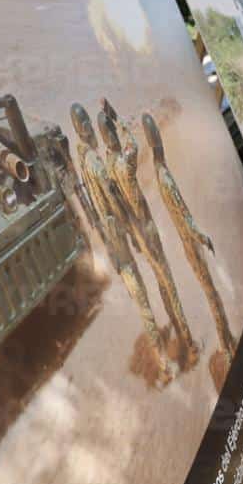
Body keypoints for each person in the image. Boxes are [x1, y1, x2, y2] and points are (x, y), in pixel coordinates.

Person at [71, 103, 175, 387]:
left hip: (109, 237)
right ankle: (165, 362)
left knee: (138, 297)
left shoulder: (82, 159)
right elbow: (114, 200)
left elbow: (92, 204)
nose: (90, 130)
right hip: (118, 231)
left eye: (89, 126)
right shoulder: (96, 162)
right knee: (145, 293)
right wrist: (133, 235)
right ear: (83, 130)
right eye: (86, 126)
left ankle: (162, 355)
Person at [97, 100, 199, 373]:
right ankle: (188, 342)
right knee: (169, 285)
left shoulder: (106, 165)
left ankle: (174, 336)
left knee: (160, 283)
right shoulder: (124, 160)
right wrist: (116, 118)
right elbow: (132, 141)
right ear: (112, 137)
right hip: (148, 230)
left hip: (136, 233)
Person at [141, 112, 238, 389]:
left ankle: (227, 340)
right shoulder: (165, 177)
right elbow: (185, 217)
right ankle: (226, 346)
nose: (160, 142)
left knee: (213, 296)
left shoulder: (162, 173)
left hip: (188, 244)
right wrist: (202, 236)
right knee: (213, 296)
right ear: (156, 143)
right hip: (190, 244)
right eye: (157, 139)